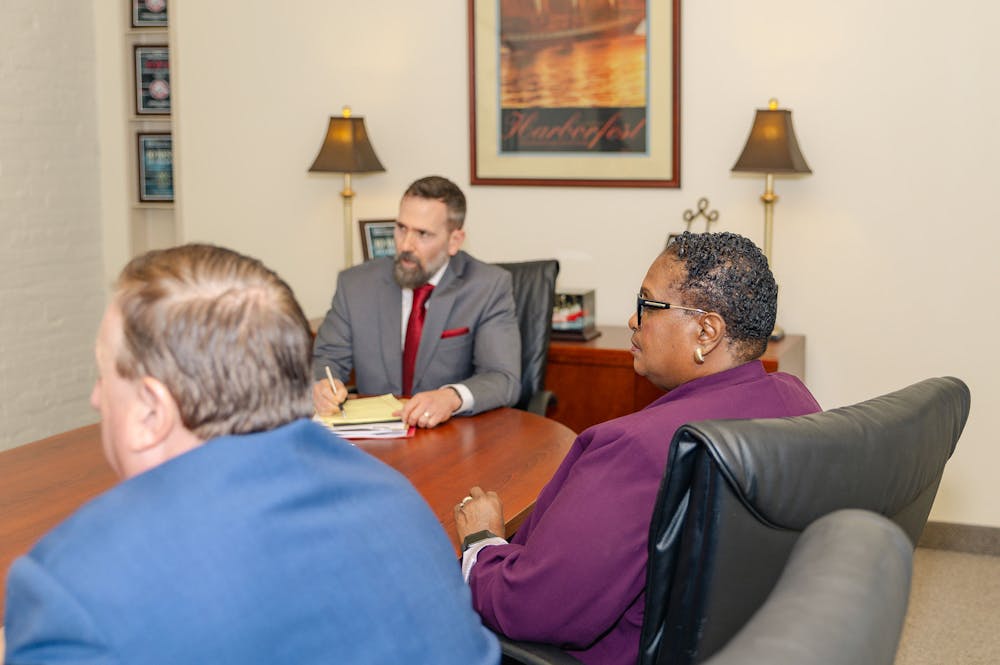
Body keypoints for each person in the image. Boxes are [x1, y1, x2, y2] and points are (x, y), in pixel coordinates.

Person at [3, 244, 499, 665]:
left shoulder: (74, 586)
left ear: (152, 408)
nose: (96, 398)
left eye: (104, 375)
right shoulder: (396, 499)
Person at [453, 232, 822, 665]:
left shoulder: (638, 447)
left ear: (706, 331)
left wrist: (482, 542)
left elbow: (531, 608)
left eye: (648, 305)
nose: (633, 320)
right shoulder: (795, 399)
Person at [312, 175, 521, 429]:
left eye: (423, 234)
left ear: (454, 240)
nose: (406, 245)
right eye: (401, 228)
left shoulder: (487, 287)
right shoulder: (355, 285)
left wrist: (451, 397)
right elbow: (327, 360)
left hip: (451, 439)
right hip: (374, 443)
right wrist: (322, 387)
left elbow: (502, 378)